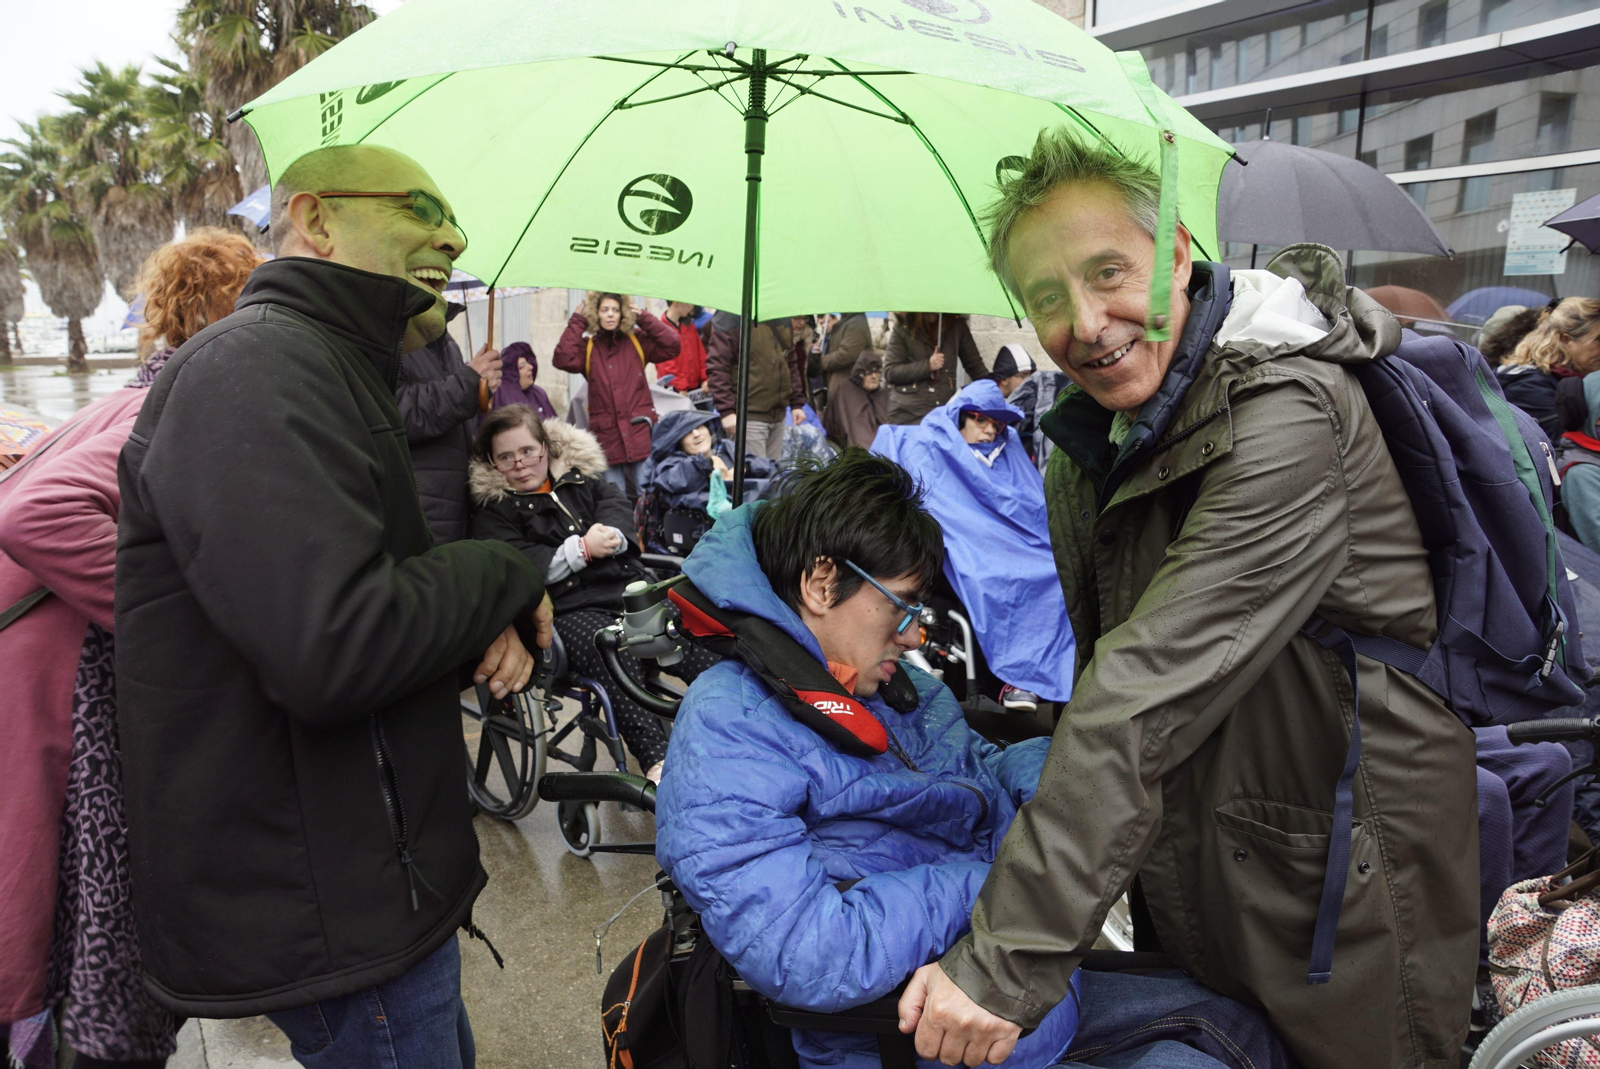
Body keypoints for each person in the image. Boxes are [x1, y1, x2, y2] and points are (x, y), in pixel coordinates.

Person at [898, 129, 1478, 1069]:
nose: (1086, 322)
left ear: (1175, 251)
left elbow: (1141, 689)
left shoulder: (1290, 415)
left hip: (1345, 871)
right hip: (1205, 844)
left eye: (1108, 272)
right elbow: (1106, 670)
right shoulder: (1097, 435)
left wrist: (1003, 962)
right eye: (1047, 298)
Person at [115, 144, 551, 1068]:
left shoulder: (330, 365)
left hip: (367, 887)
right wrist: (507, 573)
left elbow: (370, 579)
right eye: (420, 208)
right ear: (314, 219)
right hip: (335, 909)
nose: (454, 235)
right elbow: (338, 644)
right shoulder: (257, 368)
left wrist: (481, 613)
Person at [654, 451, 1096, 1069]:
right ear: (821, 582)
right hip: (912, 1041)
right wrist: (995, 889)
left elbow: (976, 771)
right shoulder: (731, 727)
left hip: (1017, 986)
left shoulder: (895, 692)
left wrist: (1061, 772)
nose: (915, 635)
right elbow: (808, 953)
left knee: (1232, 1021)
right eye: (903, 605)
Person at [0, 228, 260, 1069]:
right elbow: (35, 513)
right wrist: (164, 623)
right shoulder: (175, 405)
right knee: (61, 910)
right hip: (52, 686)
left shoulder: (134, 391)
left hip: (38, 675)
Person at [469, 406, 720, 783]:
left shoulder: (581, 479)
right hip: (567, 610)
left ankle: (734, 722)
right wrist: (578, 550)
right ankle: (657, 761)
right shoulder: (496, 509)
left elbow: (616, 504)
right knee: (612, 648)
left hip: (626, 592)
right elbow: (512, 561)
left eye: (527, 451)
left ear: (545, 447)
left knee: (690, 626)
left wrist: (614, 536)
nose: (519, 464)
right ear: (491, 460)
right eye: (505, 457)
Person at [873, 380, 1074, 715]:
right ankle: (1016, 677)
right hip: (969, 547)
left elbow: (1032, 502)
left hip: (1015, 544)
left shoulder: (1006, 450)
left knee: (1059, 571)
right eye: (982, 420)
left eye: (997, 424)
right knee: (993, 578)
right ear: (961, 416)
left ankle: (1038, 675)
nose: (990, 430)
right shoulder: (928, 445)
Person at [552, 291, 679, 497]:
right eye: (604, 310)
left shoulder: (637, 341)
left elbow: (673, 345)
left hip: (640, 433)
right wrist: (577, 321)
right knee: (615, 497)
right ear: (596, 314)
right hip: (607, 437)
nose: (610, 315)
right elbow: (562, 359)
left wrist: (644, 318)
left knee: (647, 495)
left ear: (623, 314)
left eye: (615, 310)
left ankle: (647, 531)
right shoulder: (589, 347)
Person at [396, 312, 501, 544]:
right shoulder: (391, 333)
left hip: (455, 504)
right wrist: (470, 383)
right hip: (421, 507)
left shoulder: (446, 340)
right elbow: (398, 411)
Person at [705, 313, 807, 460]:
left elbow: (789, 361)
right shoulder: (729, 316)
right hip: (748, 416)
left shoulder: (780, 312)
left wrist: (796, 403)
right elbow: (718, 367)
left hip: (778, 414)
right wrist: (726, 411)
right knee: (756, 477)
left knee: (772, 476)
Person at [1495, 298, 1600, 441]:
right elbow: (1564, 448)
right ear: (1565, 340)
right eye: (1598, 340)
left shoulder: (1578, 380)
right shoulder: (1528, 387)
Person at [644, 409, 776, 514]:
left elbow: (767, 465)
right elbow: (672, 480)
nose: (696, 434)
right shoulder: (672, 464)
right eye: (687, 433)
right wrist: (708, 464)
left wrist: (745, 468)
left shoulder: (725, 446)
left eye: (699, 426)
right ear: (679, 443)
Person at [882, 313, 988, 425]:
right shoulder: (904, 327)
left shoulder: (957, 326)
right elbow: (890, 372)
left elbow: (975, 366)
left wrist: (994, 390)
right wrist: (928, 366)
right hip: (908, 414)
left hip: (943, 412)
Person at [821, 350, 888, 449]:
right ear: (860, 373)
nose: (873, 376)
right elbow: (855, 433)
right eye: (869, 372)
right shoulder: (847, 392)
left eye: (876, 371)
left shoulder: (882, 394)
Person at [817, 311, 873, 410]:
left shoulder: (856, 324)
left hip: (850, 389)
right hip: (843, 387)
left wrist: (823, 361)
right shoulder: (848, 322)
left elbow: (846, 355)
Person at [492, 341, 557, 419]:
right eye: (522, 367)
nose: (530, 367)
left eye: (529, 363)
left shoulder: (539, 393)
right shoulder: (501, 394)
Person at [654, 300, 707, 393]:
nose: (691, 306)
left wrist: (705, 378)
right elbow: (666, 365)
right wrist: (681, 386)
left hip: (697, 388)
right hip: (675, 390)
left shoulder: (690, 326)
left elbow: (701, 355)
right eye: (688, 303)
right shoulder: (660, 330)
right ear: (677, 303)